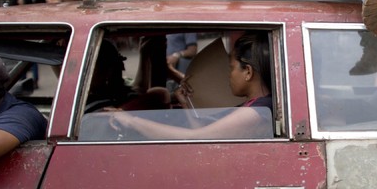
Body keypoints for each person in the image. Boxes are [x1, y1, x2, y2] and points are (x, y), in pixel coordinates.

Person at [109, 32, 273, 140]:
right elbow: (208, 135)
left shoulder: (257, 111)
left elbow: (195, 137)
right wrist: (186, 104)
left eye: (231, 68)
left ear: (248, 72)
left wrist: (131, 121)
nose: (228, 75)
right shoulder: (254, 106)